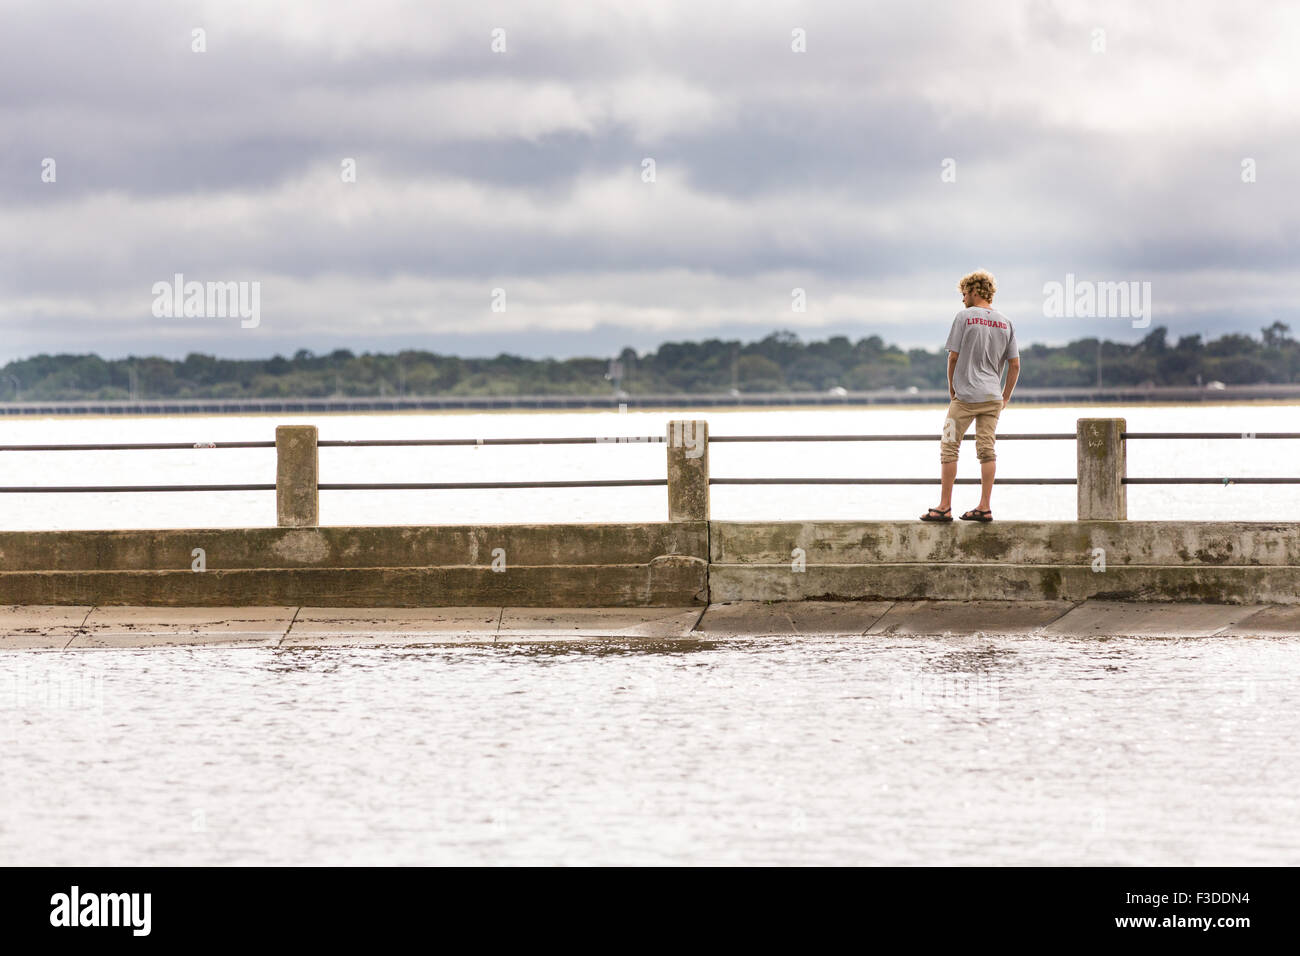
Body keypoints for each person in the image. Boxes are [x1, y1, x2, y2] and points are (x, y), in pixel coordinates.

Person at [920, 269, 1020, 522]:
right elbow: (1015, 364)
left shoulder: (964, 316)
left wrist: (952, 388)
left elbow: (952, 356)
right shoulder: (1006, 322)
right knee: (987, 450)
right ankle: (985, 506)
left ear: (974, 290)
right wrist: (1005, 396)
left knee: (949, 447)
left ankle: (944, 506)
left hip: (964, 397)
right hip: (992, 397)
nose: (962, 298)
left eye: (964, 293)